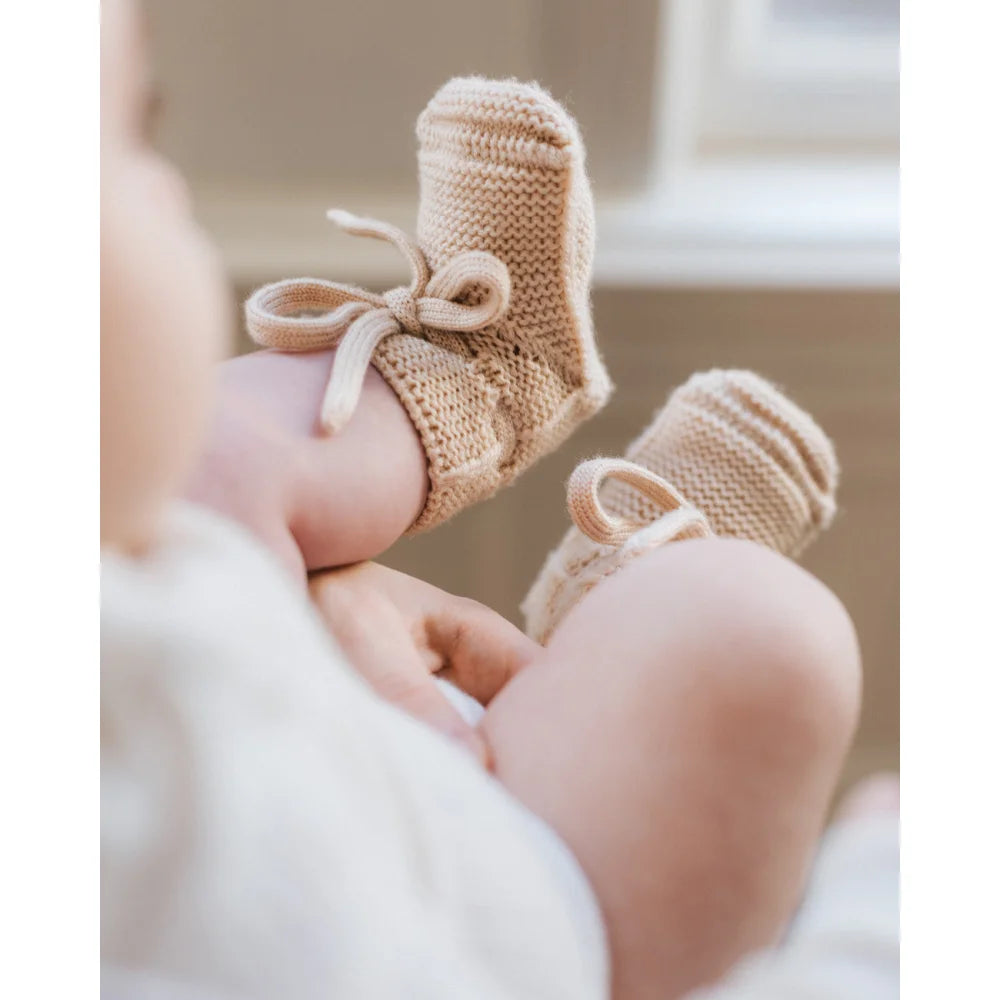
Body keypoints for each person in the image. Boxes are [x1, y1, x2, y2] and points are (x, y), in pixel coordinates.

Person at [102, 3, 861, 996]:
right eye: (123, 139)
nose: (163, 188)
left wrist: (290, 611)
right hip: (486, 896)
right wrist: (880, 932)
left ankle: (481, 379)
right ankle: (591, 662)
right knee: (760, 639)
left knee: (200, 465)